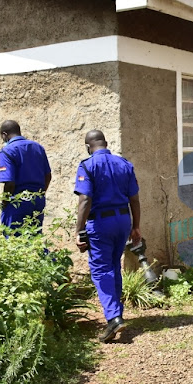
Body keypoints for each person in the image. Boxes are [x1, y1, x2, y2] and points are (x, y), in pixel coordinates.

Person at [74, 130, 141, 343]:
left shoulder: (87, 165)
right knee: (113, 266)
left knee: (101, 269)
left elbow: (85, 200)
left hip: (101, 222)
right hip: (123, 220)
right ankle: (117, 312)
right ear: (106, 143)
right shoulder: (124, 164)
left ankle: (113, 317)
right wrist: (136, 226)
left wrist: (79, 230)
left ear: (87, 146)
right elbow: (135, 199)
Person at [0, 120, 52, 231]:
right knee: (35, 238)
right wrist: (39, 194)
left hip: (17, 202)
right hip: (37, 200)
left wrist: (4, 202)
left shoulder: (7, 151)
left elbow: (9, 183)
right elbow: (48, 176)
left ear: (4, 135)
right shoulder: (38, 148)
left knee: (13, 239)